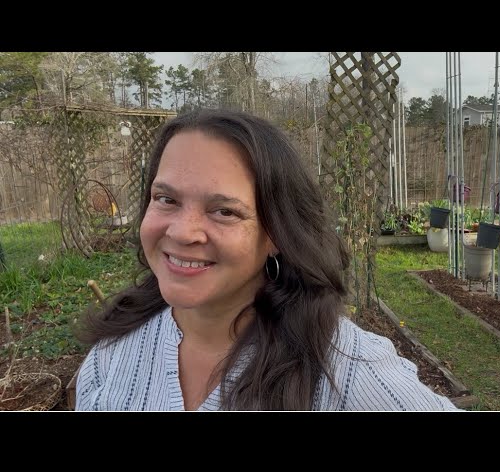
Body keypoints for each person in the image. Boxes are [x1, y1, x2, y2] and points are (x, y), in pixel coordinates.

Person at [74, 108, 459, 411]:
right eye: (166, 199)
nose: (181, 231)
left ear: (276, 233)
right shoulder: (113, 353)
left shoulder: (342, 370)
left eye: (224, 211)